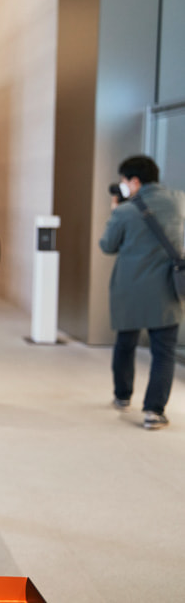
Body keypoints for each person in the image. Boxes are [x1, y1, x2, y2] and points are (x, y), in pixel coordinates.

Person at [99, 155, 185, 430]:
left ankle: (123, 396)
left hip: (130, 289)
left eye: (124, 181)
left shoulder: (124, 212)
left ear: (134, 181)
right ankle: (154, 411)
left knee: (125, 344)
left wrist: (114, 211)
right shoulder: (179, 201)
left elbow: (107, 246)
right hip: (167, 289)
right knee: (164, 352)